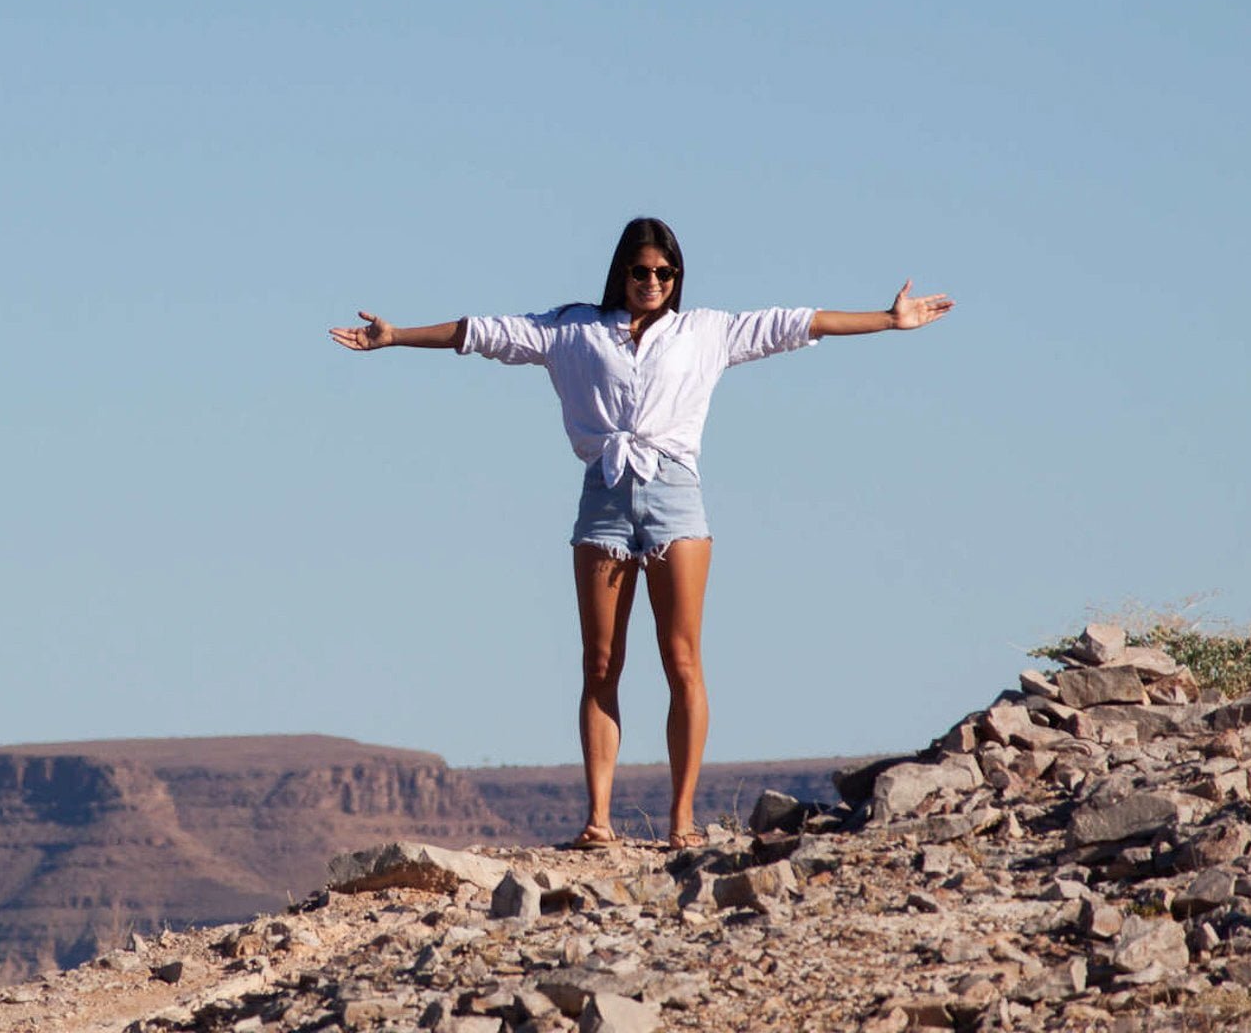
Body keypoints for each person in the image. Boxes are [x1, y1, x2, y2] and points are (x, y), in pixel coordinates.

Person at [329, 217, 952, 850]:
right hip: (603, 497)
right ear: (620, 273)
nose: (652, 281)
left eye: (664, 272)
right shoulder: (571, 329)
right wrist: (396, 336)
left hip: (674, 497)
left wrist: (887, 319)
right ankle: (598, 820)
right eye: (640, 271)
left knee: (681, 659)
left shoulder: (706, 331)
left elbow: (798, 324)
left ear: (676, 277)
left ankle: (681, 820)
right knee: (600, 662)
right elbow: (482, 334)